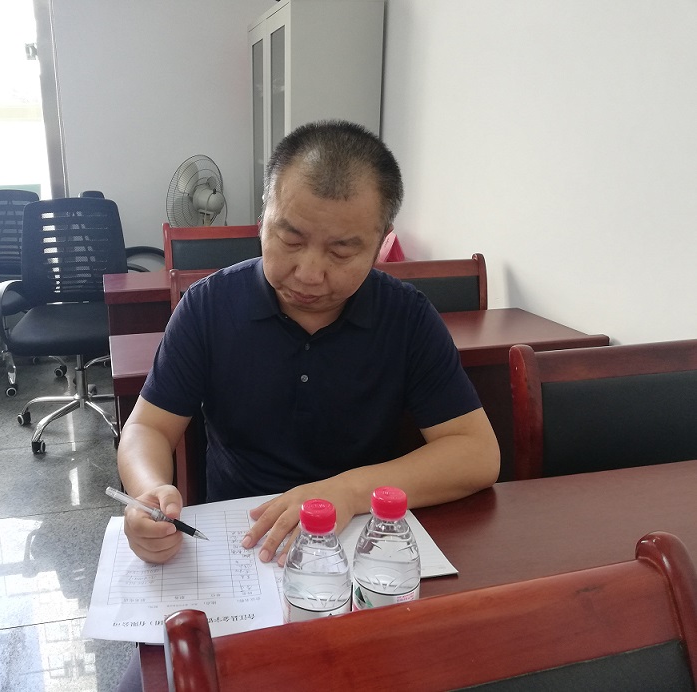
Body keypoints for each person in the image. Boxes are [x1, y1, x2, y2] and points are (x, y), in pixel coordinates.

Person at [117, 120, 500, 569]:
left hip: (361, 536)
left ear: (382, 243)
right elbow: (148, 427)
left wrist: (348, 492)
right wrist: (148, 492)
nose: (309, 274)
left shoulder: (407, 317)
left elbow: (476, 453)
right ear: (263, 219)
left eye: (341, 252)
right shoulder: (208, 307)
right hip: (242, 538)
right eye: (290, 239)